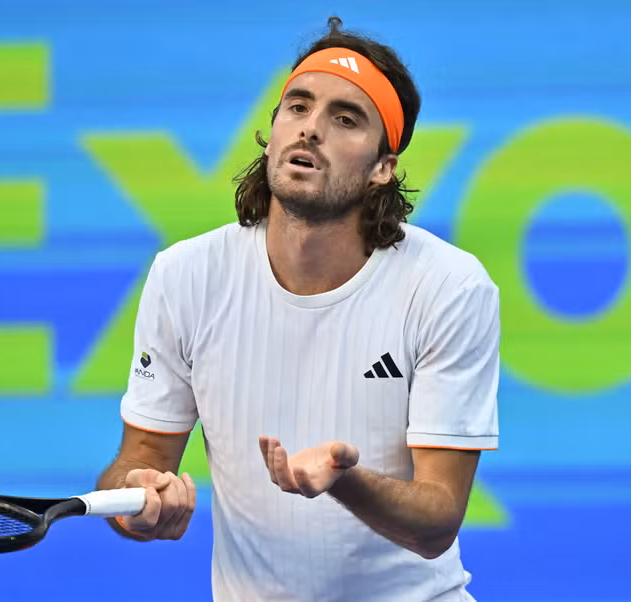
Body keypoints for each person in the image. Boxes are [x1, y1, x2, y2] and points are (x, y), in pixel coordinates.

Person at [97, 16, 500, 602]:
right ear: (273, 130)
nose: (311, 128)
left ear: (383, 168)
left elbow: (437, 522)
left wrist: (344, 482)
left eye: (345, 119)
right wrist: (137, 502)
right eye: (298, 106)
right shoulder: (185, 275)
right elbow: (140, 460)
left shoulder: (449, 287)